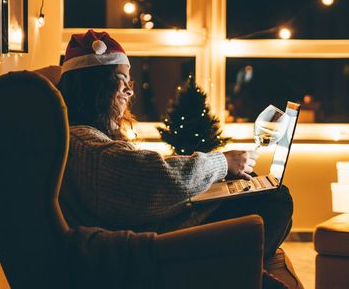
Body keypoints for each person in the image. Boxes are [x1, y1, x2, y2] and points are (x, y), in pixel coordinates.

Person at [57, 29, 294, 259]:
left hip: (157, 225)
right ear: (96, 87)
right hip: (160, 242)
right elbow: (152, 177)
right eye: (122, 81)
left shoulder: (83, 137)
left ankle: (249, 273)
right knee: (276, 200)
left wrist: (218, 177)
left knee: (257, 187)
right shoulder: (85, 145)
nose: (130, 92)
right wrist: (222, 162)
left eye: (131, 82)